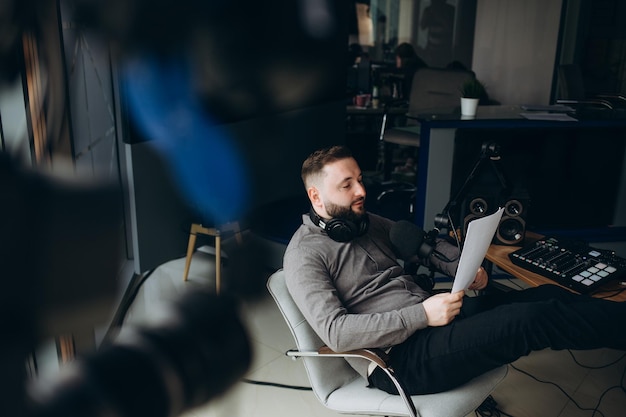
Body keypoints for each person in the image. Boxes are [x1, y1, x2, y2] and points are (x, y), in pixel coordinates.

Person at [283, 145, 626, 395]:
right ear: (316, 197)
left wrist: (463, 266)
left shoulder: (364, 221)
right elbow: (337, 333)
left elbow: (424, 247)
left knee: (544, 297)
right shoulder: (303, 255)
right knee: (532, 320)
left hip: (435, 322)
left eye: (359, 179)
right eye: (346, 185)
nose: (361, 191)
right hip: (399, 361)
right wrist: (420, 315)